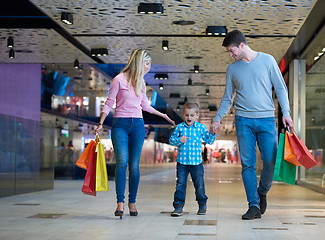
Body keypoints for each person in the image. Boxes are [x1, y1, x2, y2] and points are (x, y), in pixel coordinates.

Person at [211, 30, 294, 220]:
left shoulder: (267, 60)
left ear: (242, 45)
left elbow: (280, 88)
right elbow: (227, 97)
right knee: (247, 165)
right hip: (243, 121)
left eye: (231, 51)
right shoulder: (232, 69)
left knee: (270, 162)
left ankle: (262, 191)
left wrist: (286, 114)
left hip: (266, 120)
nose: (230, 55)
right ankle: (253, 205)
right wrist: (217, 118)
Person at [95, 49, 175, 218]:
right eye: (147, 64)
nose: (148, 67)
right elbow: (109, 102)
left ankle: (132, 202)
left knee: (134, 165)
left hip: (138, 125)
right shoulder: (119, 79)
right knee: (122, 162)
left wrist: (163, 115)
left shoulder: (141, 83)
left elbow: (145, 106)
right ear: (139, 62)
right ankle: (120, 203)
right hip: (120, 125)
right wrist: (101, 122)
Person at [169, 102, 216, 217]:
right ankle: (178, 206)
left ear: (197, 115)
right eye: (186, 115)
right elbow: (171, 140)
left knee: (199, 184)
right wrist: (180, 140)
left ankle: (202, 204)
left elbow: (209, 141)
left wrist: (213, 132)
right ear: (183, 115)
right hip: (182, 163)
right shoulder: (179, 128)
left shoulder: (201, 128)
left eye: (191, 115)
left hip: (197, 163)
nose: (189, 118)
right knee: (180, 184)